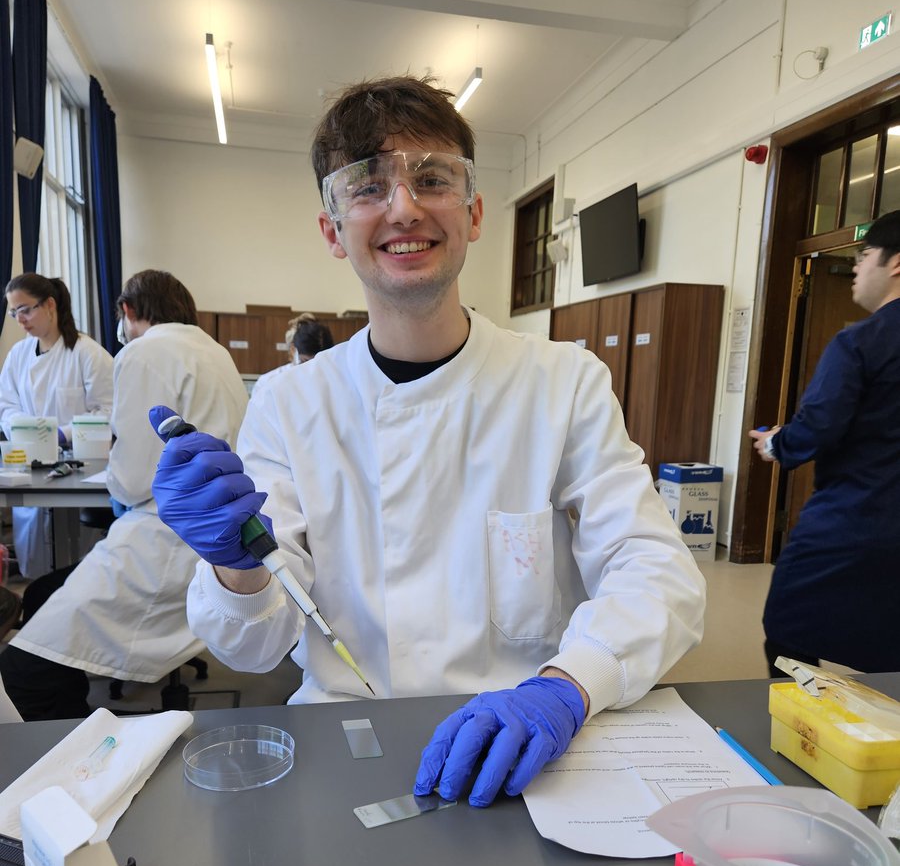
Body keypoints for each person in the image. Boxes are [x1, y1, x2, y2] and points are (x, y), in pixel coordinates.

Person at [152, 75, 705, 806]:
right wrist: (235, 567)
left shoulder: (563, 381)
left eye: (433, 178)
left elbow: (657, 572)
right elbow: (250, 644)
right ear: (332, 230)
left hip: (524, 749)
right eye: (368, 188)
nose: (405, 207)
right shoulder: (292, 402)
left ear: (473, 213)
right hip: (342, 750)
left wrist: (568, 687)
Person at [0, 269, 248, 720]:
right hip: (207, 536)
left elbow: (133, 476)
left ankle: (78, 758)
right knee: (40, 595)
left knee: (22, 671)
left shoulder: (143, 352)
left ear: (128, 311)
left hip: (161, 541)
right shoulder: (214, 351)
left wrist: (116, 483)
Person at [750, 210, 900, 676]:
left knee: (788, 630)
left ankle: (806, 734)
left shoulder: (861, 342)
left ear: (896, 263)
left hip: (855, 519)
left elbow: (819, 424)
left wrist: (777, 444)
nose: (856, 266)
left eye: (866, 254)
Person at [0, 275, 113, 578]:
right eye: (13, 313)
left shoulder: (88, 353)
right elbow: (6, 404)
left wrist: (60, 434)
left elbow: (108, 410)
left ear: (50, 304)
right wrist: (23, 429)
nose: (20, 320)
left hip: (80, 471)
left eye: (25, 310)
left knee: (78, 567)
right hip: (30, 469)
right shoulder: (18, 356)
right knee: (36, 563)